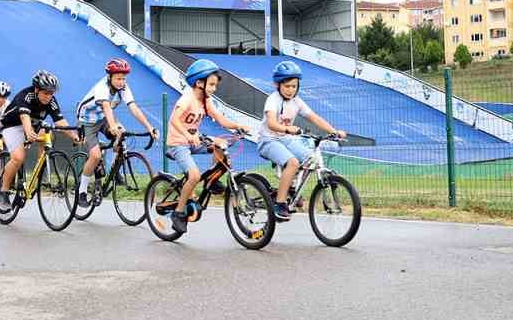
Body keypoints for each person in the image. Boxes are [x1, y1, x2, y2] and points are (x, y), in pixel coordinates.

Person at [260, 60, 346, 221]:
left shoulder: (296, 101)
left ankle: (292, 190)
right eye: (287, 86)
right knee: (292, 162)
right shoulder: (273, 100)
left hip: (286, 139)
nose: (290, 90)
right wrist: (287, 129)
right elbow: (271, 123)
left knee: (309, 158)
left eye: (294, 86)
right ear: (277, 85)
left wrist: (333, 131)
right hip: (268, 140)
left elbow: (314, 117)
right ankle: (280, 204)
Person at [165, 58, 244, 235]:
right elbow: (174, 120)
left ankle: (212, 180)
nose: (214, 89)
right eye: (212, 85)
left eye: (215, 85)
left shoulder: (205, 101)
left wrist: (238, 126)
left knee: (220, 144)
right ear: (199, 83)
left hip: (195, 139)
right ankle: (178, 214)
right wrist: (186, 135)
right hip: (178, 143)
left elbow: (220, 119)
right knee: (193, 175)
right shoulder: (188, 98)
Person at [74, 58, 157, 206]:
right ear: (110, 77)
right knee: (95, 155)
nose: (121, 82)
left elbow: (133, 108)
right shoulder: (102, 87)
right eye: (118, 78)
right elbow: (106, 107)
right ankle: (82, 190)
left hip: (104, 117)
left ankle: (115, 169)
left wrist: (149, 127)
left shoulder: (123, 88)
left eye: (123, 79)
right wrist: (112, 126)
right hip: (87, 120)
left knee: (122, 133)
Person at [0, 71, 81, 210]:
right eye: (46, 93)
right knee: (18, 158)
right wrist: (29, 132)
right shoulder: (26, 96)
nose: (49, 97)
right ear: (37, 90)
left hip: (33, 124)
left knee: (48, 135)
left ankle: (39, 172)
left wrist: (73, 135)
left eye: (52, 93)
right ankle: (3, 190)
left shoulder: (51, 101)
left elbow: (60, 121)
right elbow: (24, 117)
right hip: (12, 125)